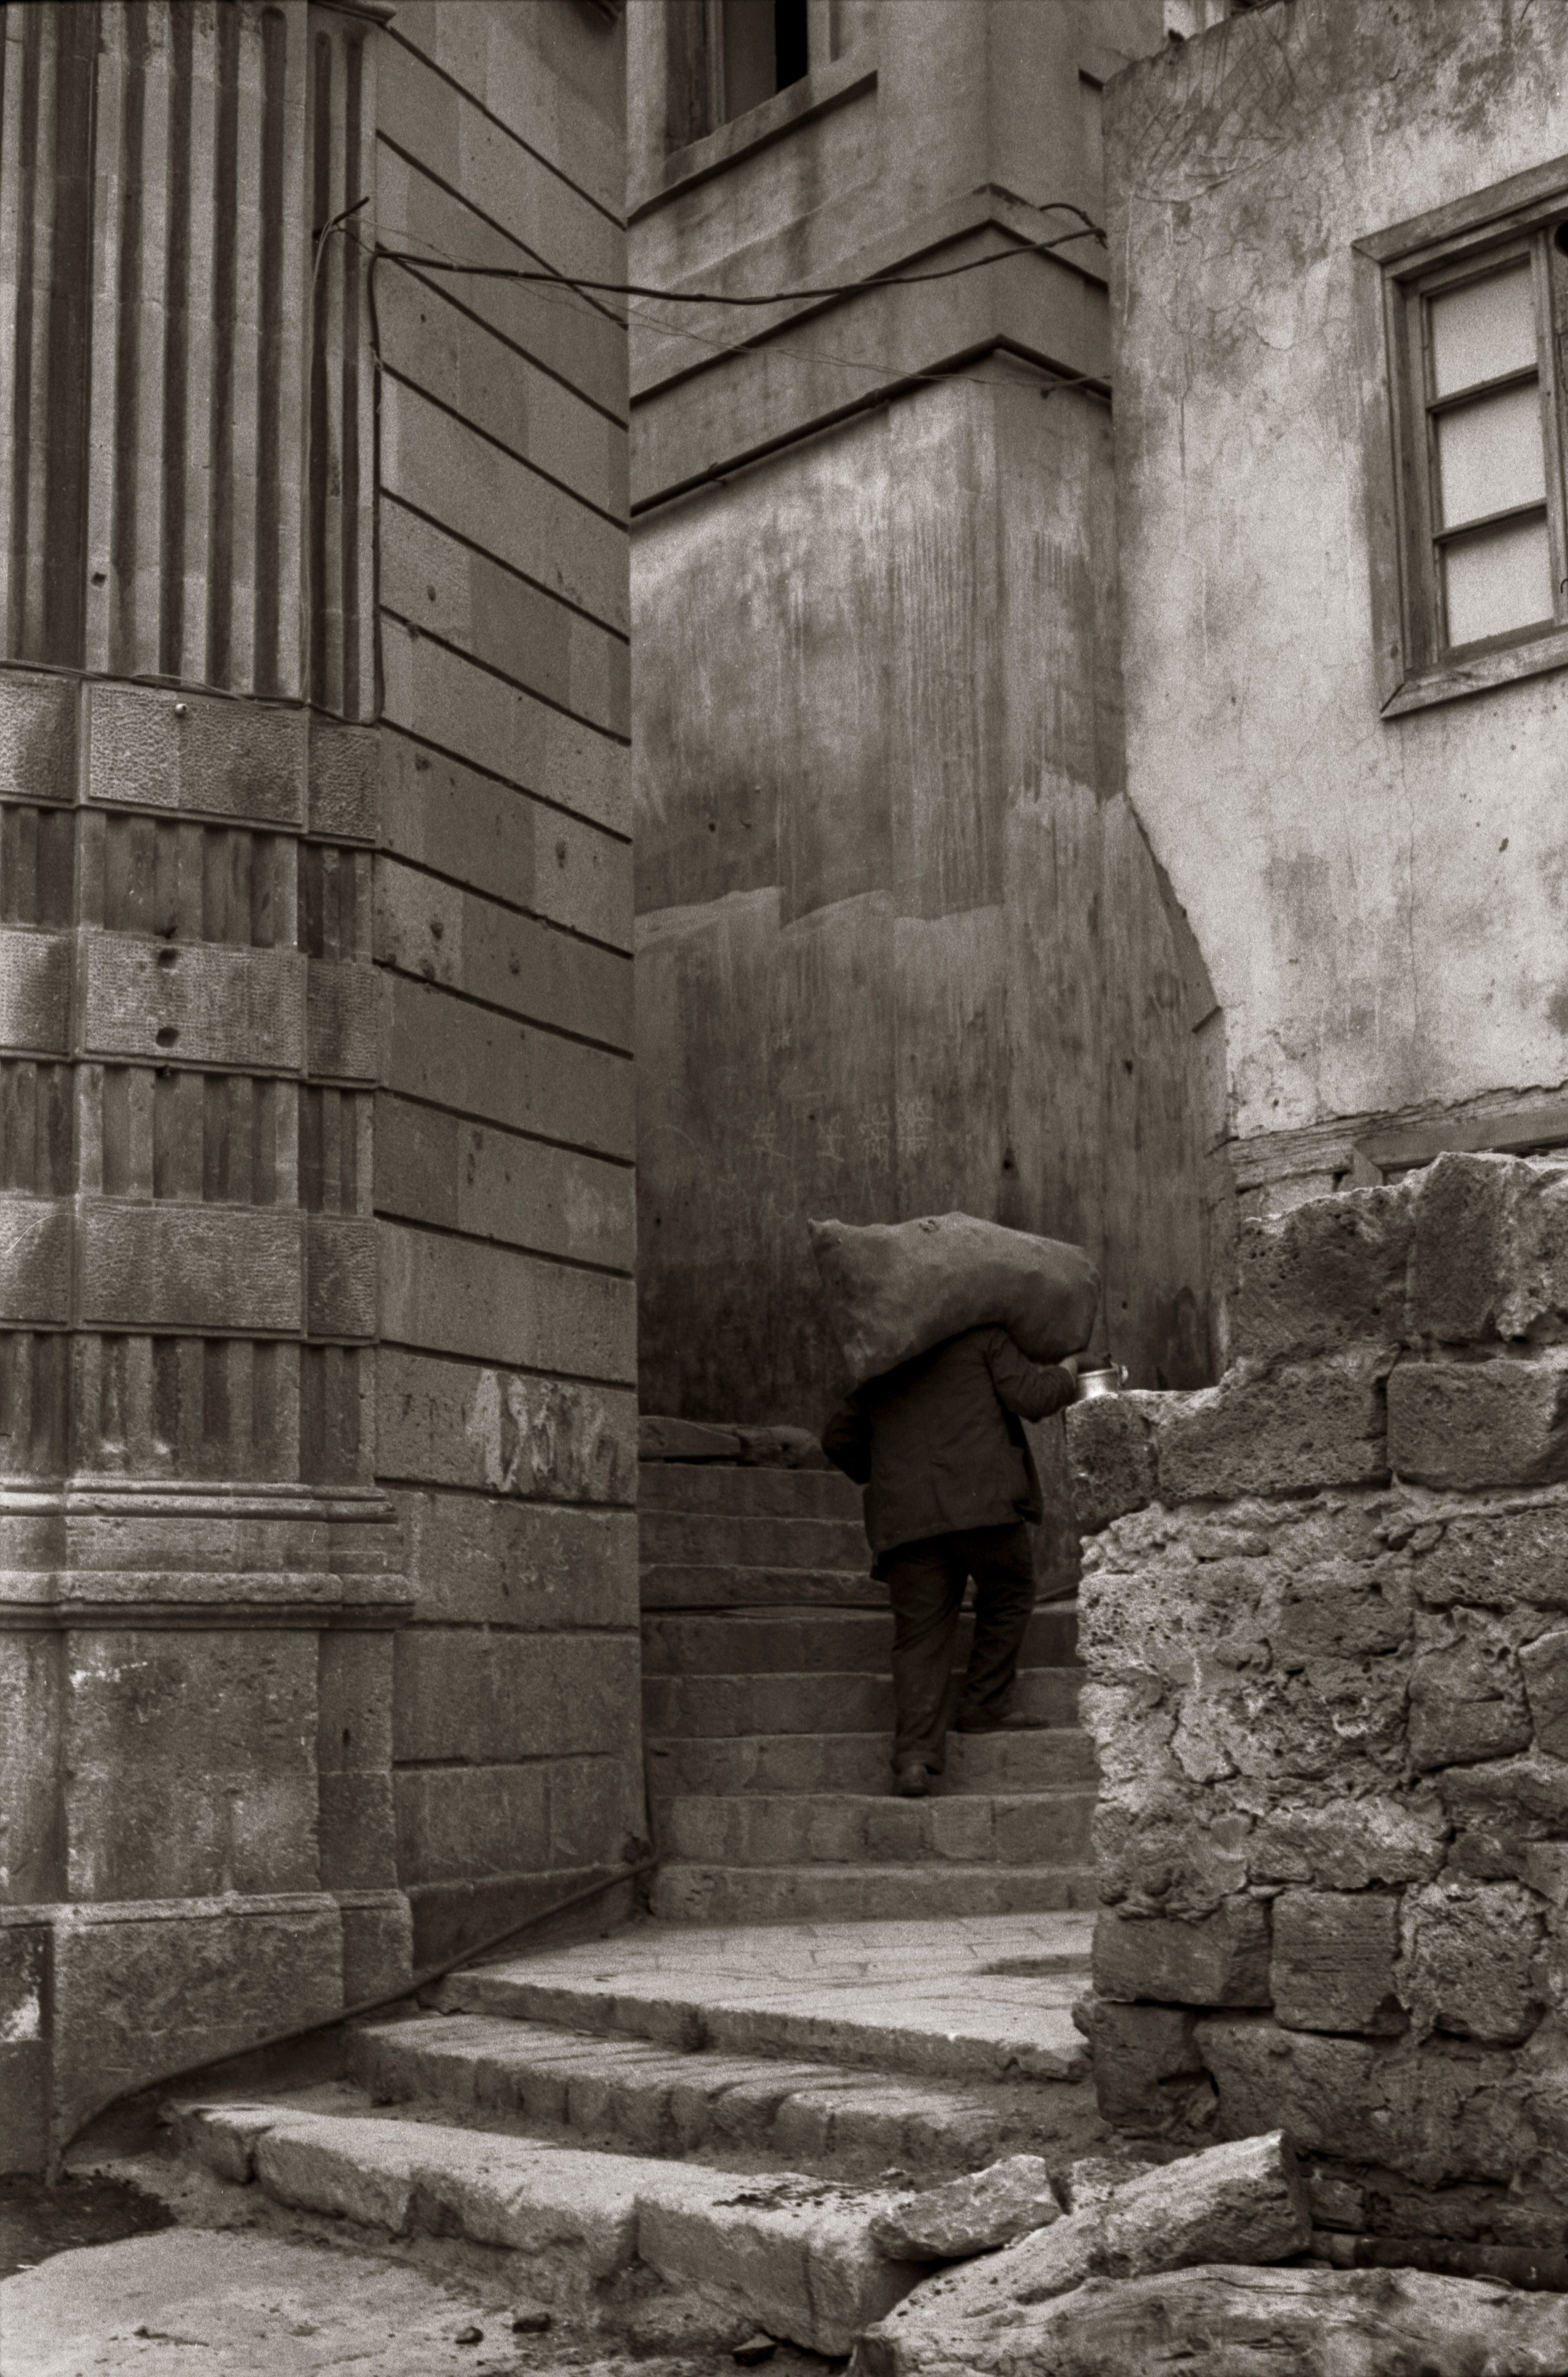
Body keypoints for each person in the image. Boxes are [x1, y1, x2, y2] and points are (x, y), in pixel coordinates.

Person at [820, 1327, 1080, 1798]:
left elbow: (837, 1438)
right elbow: (1032, 1397)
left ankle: (915, 1757)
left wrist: (889, 1470)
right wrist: (1069, 1371)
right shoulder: (984, 1340)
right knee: (1010, 1592)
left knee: (920, 1636)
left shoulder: (887, 1358)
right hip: (984, 1508)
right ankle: (984, 1703)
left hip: (907, 1520)